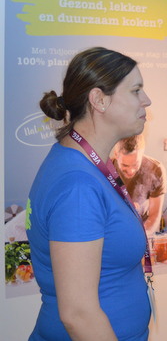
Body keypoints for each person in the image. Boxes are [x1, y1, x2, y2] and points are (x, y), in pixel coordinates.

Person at [26, 47, 153, 341]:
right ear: (99, 100)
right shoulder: (78, 186)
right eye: (136, 90)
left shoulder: (80, 163)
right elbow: (78, 314)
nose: (146, 100)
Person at [112, 134, 167, 234]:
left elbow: (154, 215)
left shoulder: (155, 169)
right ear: (116, 154)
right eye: (125, 165)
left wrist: (142, 236)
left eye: (135, 164)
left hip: (144, 229)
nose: (131, 171)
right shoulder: (105, 170)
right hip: (114, 229)